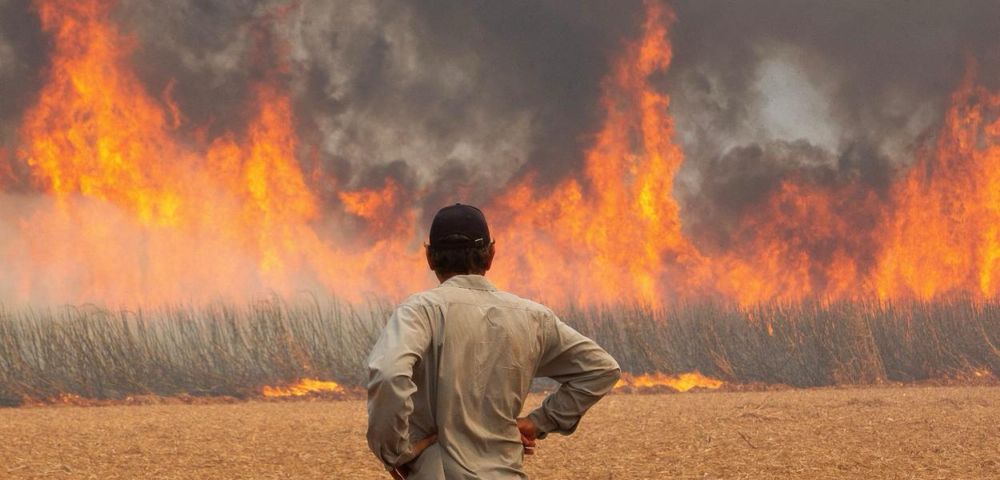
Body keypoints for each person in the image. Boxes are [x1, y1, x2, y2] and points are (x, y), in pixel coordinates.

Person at [366, 203, 621, 479]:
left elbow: (389, 374)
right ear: (491, 255)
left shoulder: (420, 312)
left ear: (430, 257)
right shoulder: (533, 317)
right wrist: (537, 423)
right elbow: (601, 369)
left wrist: (395, 452)